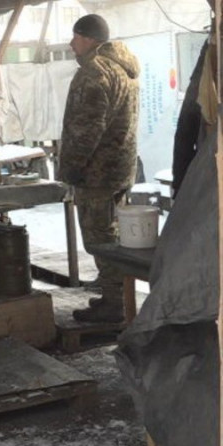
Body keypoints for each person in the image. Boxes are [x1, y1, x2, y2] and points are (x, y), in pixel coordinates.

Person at [58, 14, 140, 323]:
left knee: (100, 239)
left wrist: (70, 170)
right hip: (120, 170)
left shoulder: (94, 72)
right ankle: (117, 296)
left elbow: (85, 131)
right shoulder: (124, 70)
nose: (71, 44)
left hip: (97, 175)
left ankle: (115, 306)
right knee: (115, 236)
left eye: (76, 37)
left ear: (90, 39)